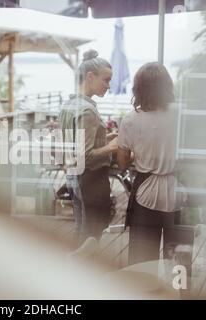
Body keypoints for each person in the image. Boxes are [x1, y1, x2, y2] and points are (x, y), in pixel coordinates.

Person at [117, 62, 186, 265]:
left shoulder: (131, 120)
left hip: (144, 191)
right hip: (176, 188)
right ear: (167, 86)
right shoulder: (180, 113)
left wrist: (137, 153)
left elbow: (122, 163)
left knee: (142, 258)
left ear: (138, 88)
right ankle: (178, 292)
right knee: (178, 256)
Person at [59, 49, 118, 246]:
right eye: (106, 80)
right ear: (90, 77)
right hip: (90, 180)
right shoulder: (88, 110)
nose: (109, 85)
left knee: (80, 230)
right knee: (91, 236)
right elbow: (85, 155)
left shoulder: (69, 105)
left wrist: (104, 138)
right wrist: (112, 147)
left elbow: (73, 146)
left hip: (73, 177)